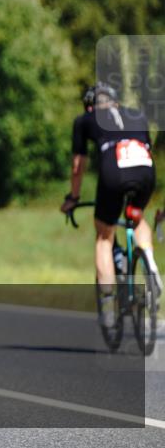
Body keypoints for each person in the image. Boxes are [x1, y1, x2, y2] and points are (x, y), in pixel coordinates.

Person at [61, 83, 160, 328]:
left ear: (90, 105)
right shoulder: (137, 114)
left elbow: (78, 165)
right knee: (136, 216)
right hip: (145, 169)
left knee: (104, 236)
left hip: (113, 171)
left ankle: (107, 304)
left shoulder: (84, 120)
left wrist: (73, 197)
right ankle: (150, 262)